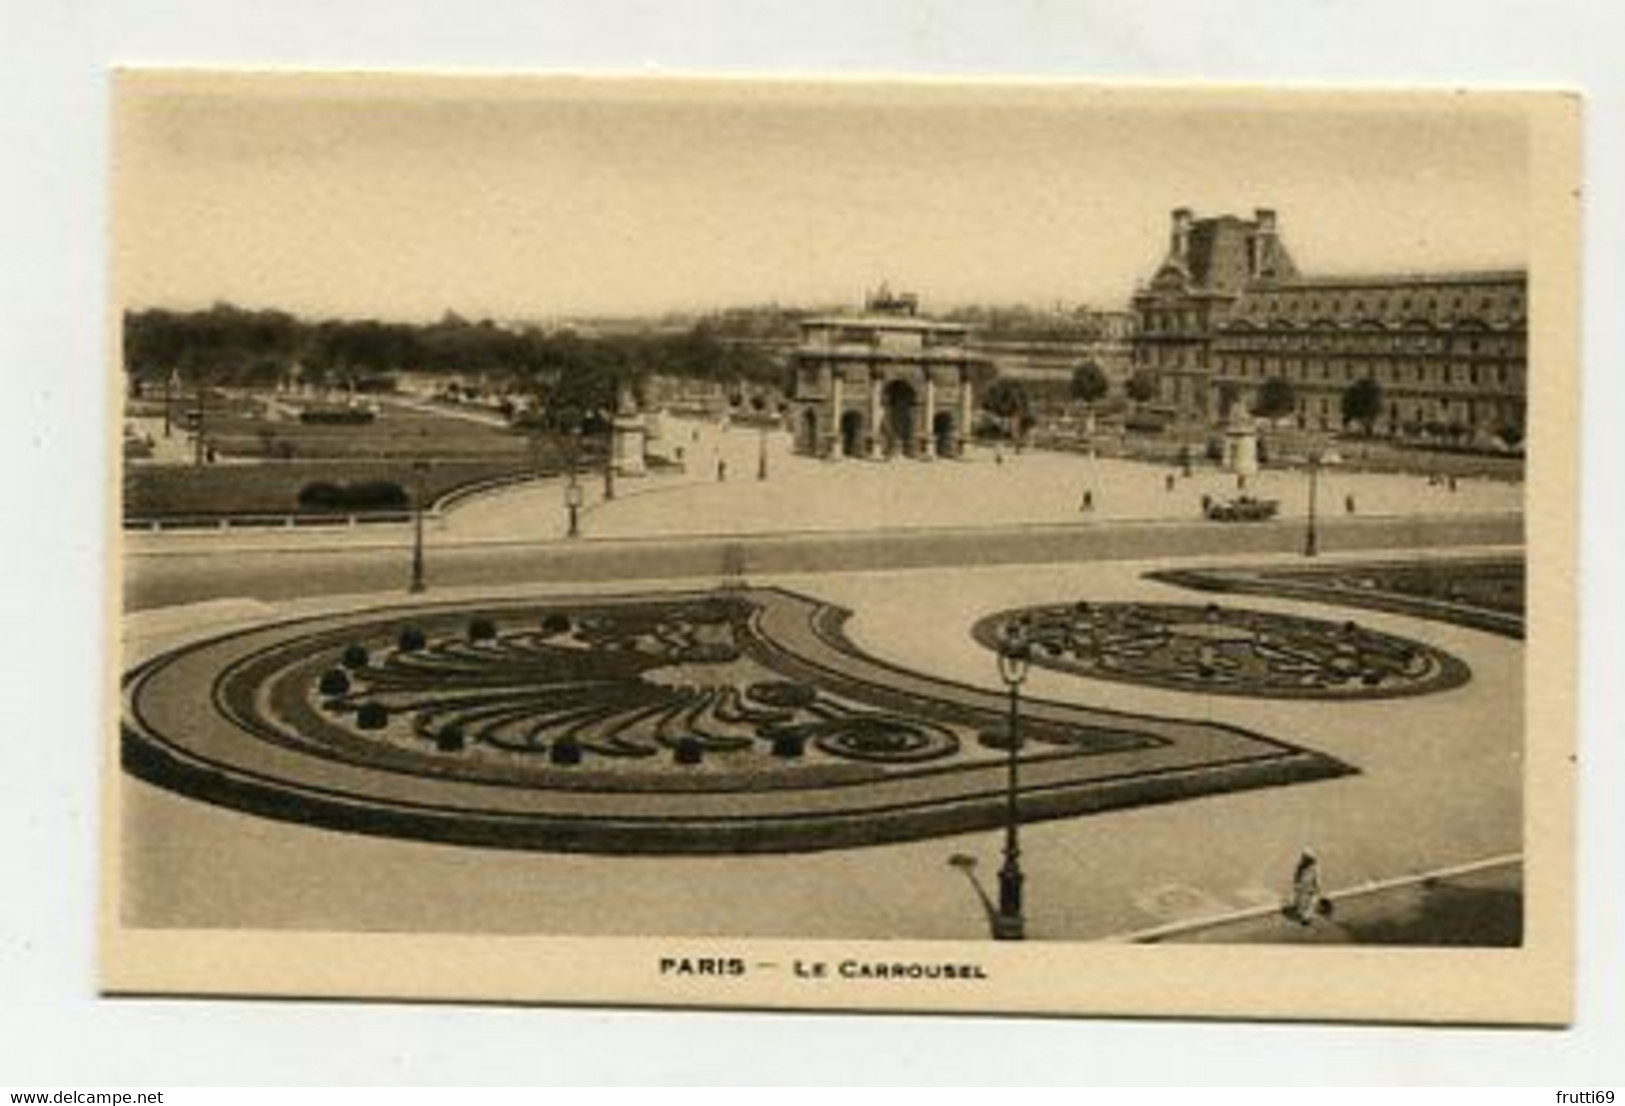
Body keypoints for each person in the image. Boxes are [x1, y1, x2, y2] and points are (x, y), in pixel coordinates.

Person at [1289, 848, 1323, 926]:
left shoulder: (1314, 867)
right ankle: (1304, 914)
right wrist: (1296, 883)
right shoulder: (1301, 866)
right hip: (1303, 886)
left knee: (1309, 902)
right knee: (1302, 901)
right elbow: (1297, 875)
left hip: (1309, 886)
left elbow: (1317, 877)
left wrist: (1317, 886)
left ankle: (1306, 916)